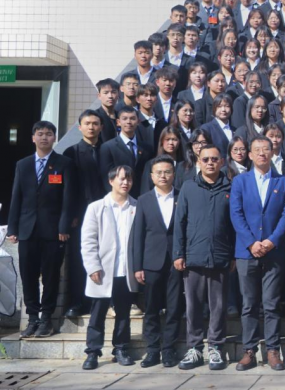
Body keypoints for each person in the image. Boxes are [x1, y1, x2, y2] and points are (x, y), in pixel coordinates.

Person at [7, 120, 77, 339]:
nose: (44, 137)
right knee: (28, 276)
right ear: (33, 138)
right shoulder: (23, 164)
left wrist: (64, 226)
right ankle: (33, 318)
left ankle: (46, 318)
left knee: (50, 276)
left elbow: (68, 199)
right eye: (40, 133)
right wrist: (13, 227)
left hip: (53, 231)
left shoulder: (64, 163)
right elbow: (16, 197)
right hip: (27, 230)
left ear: (54, 138)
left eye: (48, 134)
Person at [228, 136, 285, 371]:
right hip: (247, 252)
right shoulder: (240, 181)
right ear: (250, 155)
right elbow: (236, 214)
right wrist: (251, 242)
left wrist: (272, 241)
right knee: (249, 304)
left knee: (271, 303)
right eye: (257, 150)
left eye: (266, 149)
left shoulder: (283, 182)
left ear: (272, 152)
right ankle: (249, 350)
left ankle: (273, 349)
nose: (262, 153)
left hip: (274, 252)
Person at [173, 145, 235, 371]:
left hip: (220, 256)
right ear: (198, 161)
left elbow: (234, 225)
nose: (210, 163)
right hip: (193, 257)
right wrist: (179, 253)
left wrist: (233, 254)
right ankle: (195, 348)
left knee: (218, 306)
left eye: (214, 159)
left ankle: (216, 347)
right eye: (206, 159)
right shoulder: (188, 187)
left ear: (222, 162)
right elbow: (180, 222)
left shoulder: (230, 188)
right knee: (193, 306)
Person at [80, 166, 140, 370]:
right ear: (111, 181)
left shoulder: (136, 206)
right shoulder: (97, 207)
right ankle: (92, 352)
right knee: (97, 313)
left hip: (126, 270)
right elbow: (88, 240)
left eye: (129, 179)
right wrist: (92, 266)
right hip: (103, 270)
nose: (126, 183)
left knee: (123, 313)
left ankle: (121, 348)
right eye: (121, 179)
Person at [132, 155, 183, 369]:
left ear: (174, 174)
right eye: (159, 172)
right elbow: (137, 235)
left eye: (167, 172)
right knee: (151, 308)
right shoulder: (143, 200)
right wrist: (137, 266)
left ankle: (169, 349)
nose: (163, 176)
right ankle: (152, 349)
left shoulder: (182, 196)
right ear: (152, 176)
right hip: (151, 261)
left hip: (176, 261)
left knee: (174, 307)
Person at [63, 110, 106, 318]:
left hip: (106, 212)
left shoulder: (108, 150)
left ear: (101, 127)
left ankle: (103, 302)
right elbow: (68, 189)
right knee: (79, 258)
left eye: (95, 123)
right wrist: (71, 215)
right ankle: (78, 302)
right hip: (80, 215)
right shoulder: (71, 153)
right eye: (87, 123)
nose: (91, 127)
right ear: (79, 127)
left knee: (105, 255)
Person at [99, 106, 154, 199]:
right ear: (118, 122)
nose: (129, 122)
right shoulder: (108, 147)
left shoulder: (147, 148)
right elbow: (107, 177)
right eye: (124, 119)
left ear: (138, 121)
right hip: (119, 197)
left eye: (132, 118)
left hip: (142, 197)